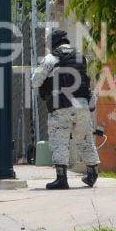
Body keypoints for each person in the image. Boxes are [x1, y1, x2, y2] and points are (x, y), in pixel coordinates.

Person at [32, 28, 100, 190]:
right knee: (85, 139)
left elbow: (35, 81)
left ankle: (61, 179)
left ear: (53, 44)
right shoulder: (80, 57)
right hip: (82, 104)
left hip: (61, 107)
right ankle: (92, 174)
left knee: (59, 140)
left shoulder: (51, 58)